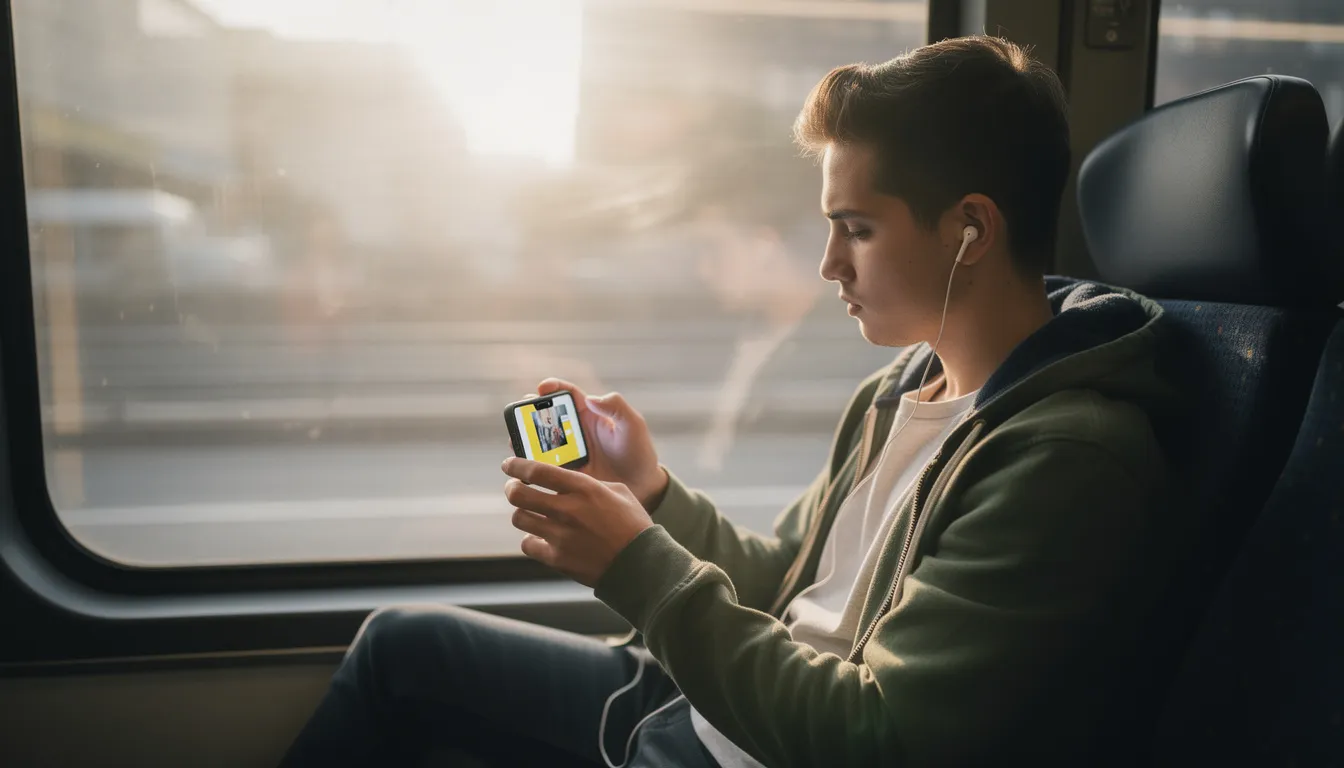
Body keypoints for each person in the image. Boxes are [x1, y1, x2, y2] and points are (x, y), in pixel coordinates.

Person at [280, 35, 1177, 767]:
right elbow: (784, 583)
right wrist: (653, 494)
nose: (830, 265)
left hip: (757, 743)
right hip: (706, 710)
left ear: (970, 228)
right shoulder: (899, 390)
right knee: (402, 645)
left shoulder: (1068, 457)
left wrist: (637, 563)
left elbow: (877, 737)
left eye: (856, 230)